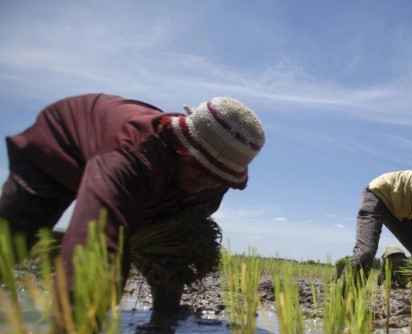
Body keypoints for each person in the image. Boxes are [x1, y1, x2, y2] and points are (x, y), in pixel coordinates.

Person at [0, 93, 265, 318]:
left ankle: (166, 317)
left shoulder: (213, 180)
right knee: (14, 239)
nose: (208, 181)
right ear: (182, 147)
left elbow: (184, 224)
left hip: (139, 179)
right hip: (59, 145)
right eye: (200, 169)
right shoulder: (132, 157)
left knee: (172, 245)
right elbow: (100, 237)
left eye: (219, 176)